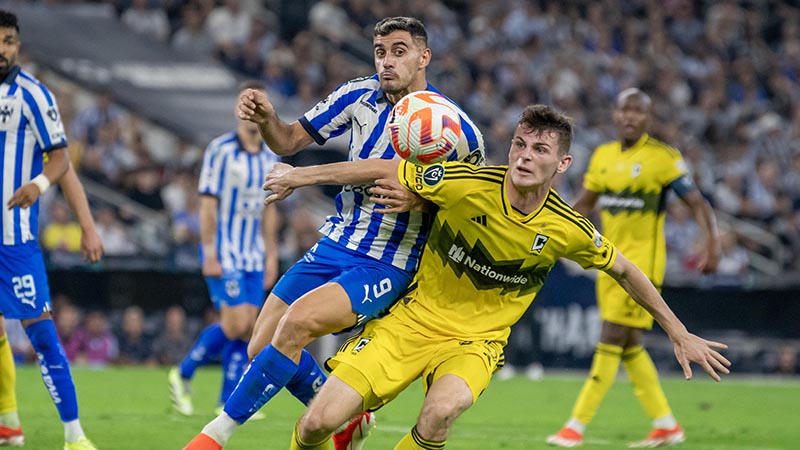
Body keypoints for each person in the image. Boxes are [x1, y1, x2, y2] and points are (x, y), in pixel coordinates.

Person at [263, 104, 729, 450]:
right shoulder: (466, 182)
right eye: (520, 145)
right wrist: (301, 177)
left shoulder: (568, 228)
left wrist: (678, 331)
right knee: (315, 424)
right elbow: (387, 168)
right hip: (409, 323)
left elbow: (626, 269)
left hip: (476, 343)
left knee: (441, 411)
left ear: (562, 164)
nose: (525, 157)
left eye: (540, 149)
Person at [182, 16, 485, 450]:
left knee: (297, 325)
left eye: (399, 51)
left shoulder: (455, 128)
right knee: (260, 345)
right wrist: (269, 118)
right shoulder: (357, 96)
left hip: (389, 260)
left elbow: (470, 203)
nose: (387, 61)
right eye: (381, 51)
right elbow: (287, 141)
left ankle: (213, 438)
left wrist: (420, 200)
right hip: (337, 241)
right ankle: (347, 418)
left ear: (424, 57)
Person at [547, 88, 721, 448]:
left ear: (648, 118)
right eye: (624, 110)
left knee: (611, 336)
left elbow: (698, 203)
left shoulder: (662, 158)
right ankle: (666, 425)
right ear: (615, 114)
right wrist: (553, 235)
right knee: (628, 346)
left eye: (638, 111)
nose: (630, 116)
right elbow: (585, 205)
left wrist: (712, 245)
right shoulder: (603, 156)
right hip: (608, 261)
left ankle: (575, 427)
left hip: (642, 267)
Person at [0, 10, 99, 450]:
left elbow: (61, 161)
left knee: (41, 334)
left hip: (15, 239)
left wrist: (85, 223)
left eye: (9, 41)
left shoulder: (33, 96)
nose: (3, 50)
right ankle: (9, 424)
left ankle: (74, 434)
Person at [169, 80, 281, 417]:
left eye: (257, 103)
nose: (251, 110)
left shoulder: (270, 154)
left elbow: (270, 208)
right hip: (226, 250)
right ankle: (183, 372)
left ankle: (225, 400)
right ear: (238, 109)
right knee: (235, 325)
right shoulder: (220, 150)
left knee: (249, 328)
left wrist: (272, 254)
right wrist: (209, 251)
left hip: (254, 253)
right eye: (246, 103)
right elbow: (207, 205)